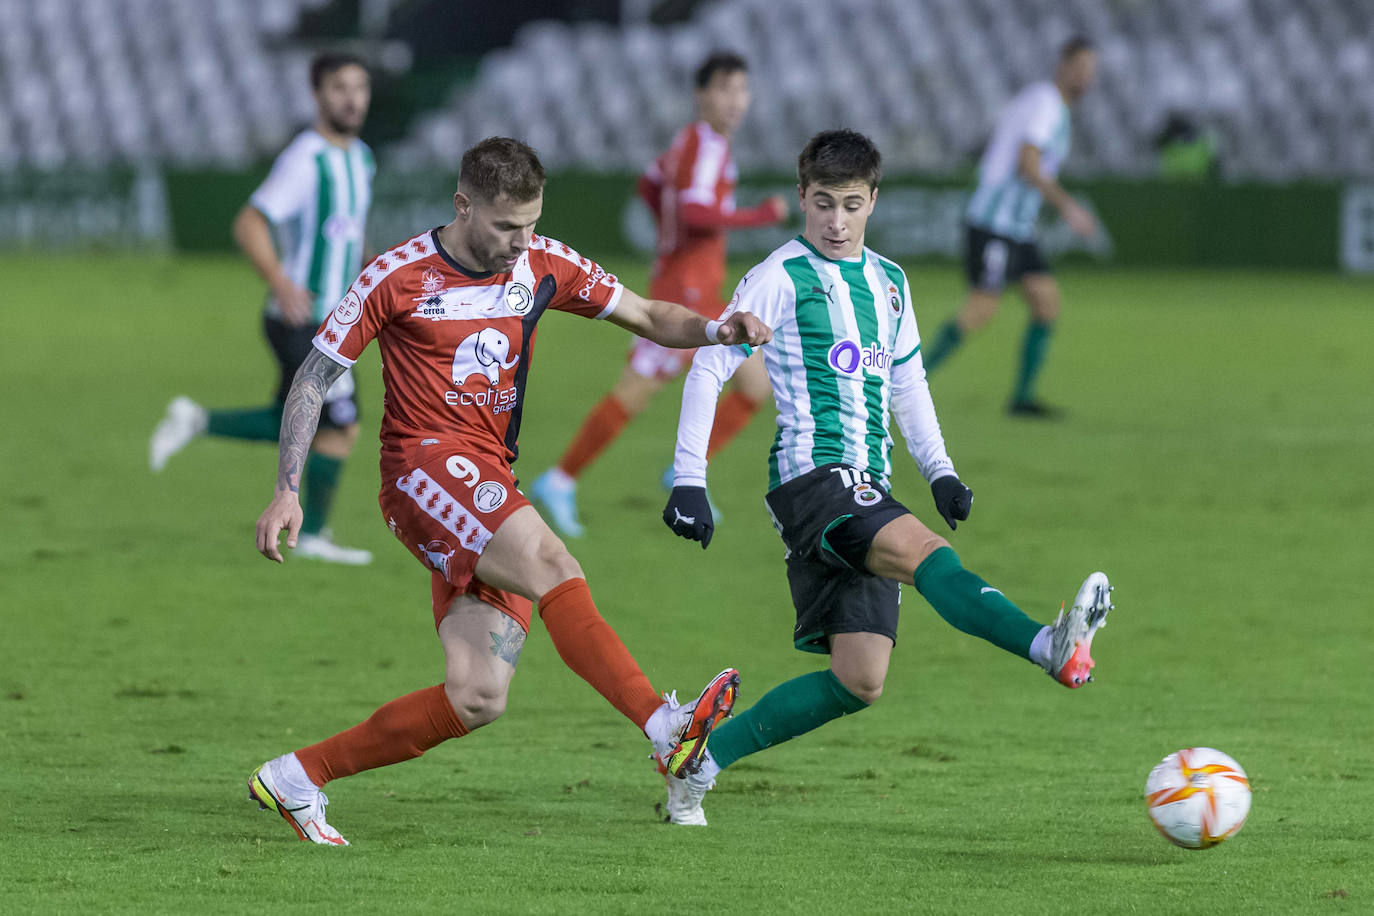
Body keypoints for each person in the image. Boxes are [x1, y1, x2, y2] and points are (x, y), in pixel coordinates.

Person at [247, 137, 771, 845]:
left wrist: (715, 329)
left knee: (477, 696)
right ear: (462, 205)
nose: (520, 242)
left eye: (530, 224)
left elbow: (648, 315)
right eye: (504, 227)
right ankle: (663, 727)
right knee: (555, 563)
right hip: (420, 471)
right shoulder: (396, 276)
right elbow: (312, 377)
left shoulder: (541, 263)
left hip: (488, 478)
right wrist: (287, 490)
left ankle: (296, 777)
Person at [657, 129, 1115, 826]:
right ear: (802, 200)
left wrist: (941, 471)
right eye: (821, 204)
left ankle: (699, 763)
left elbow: (908, 384)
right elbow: (711, 364)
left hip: (868, 480)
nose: (835, 222)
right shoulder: (780, 276)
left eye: (849, 204)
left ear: (874, 200)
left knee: (859, 680)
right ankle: (1045, 646)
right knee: (927, 553)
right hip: (812, 480)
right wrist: (689, 478)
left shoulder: (891, 282)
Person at [529, 51, 787, 537]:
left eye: (741, 90)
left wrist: (667, 241)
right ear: (701, 94)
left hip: (698, 286)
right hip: (682, 292)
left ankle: (685, 471)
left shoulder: (690, 143)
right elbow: (693, 215)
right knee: (637, 390)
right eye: (725, 89)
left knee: (756, 384)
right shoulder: (705, 146)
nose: (735, 101)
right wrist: (760, 216)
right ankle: (560, 479)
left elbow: (649, 185)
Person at [149, 52, 377, 564]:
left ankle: (196, 420)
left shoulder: (361, 157)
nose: (352, 98)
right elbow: (249, 222)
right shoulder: (306, 159)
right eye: (340, 87)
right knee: (338, 424)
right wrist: (281, 281)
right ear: (319, 94)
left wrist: (369, 276)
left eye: (360, 88)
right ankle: (313, 534)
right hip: (302, 317)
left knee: (302, 417)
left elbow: (349, 231)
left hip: (335, 318)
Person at [921, 37, 1099, 417]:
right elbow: (1028, 161)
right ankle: (904, 385)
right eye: (1080, 68)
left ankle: (1021, 399)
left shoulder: (1047, 104)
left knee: (1045, 302)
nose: (1085, 77)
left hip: (1018, 227)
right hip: (995, 222)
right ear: (1063, 65)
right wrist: (1068, 207)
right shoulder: (1047, 106)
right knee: (982, 307)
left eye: (1090, 71)